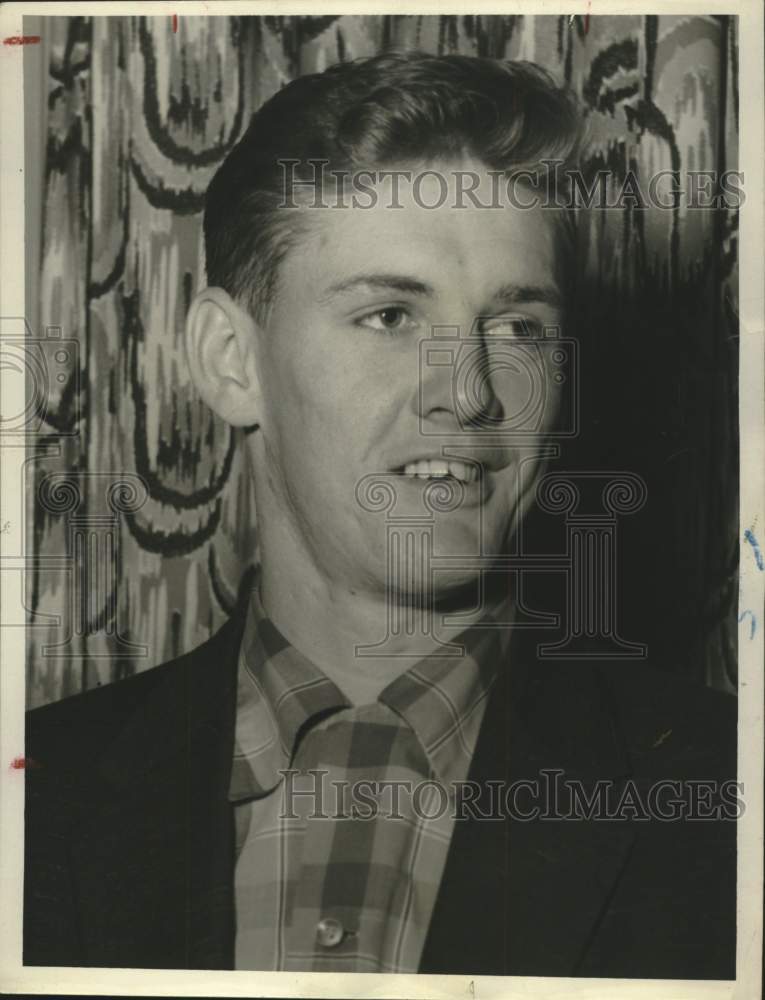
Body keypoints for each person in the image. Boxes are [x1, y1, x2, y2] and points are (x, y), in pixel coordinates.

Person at [24, 51, 737, 978]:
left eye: (518, 328)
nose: (471, 393)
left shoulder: (724, 795)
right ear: (230, 362)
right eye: (391, 316)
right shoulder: (38, 797)